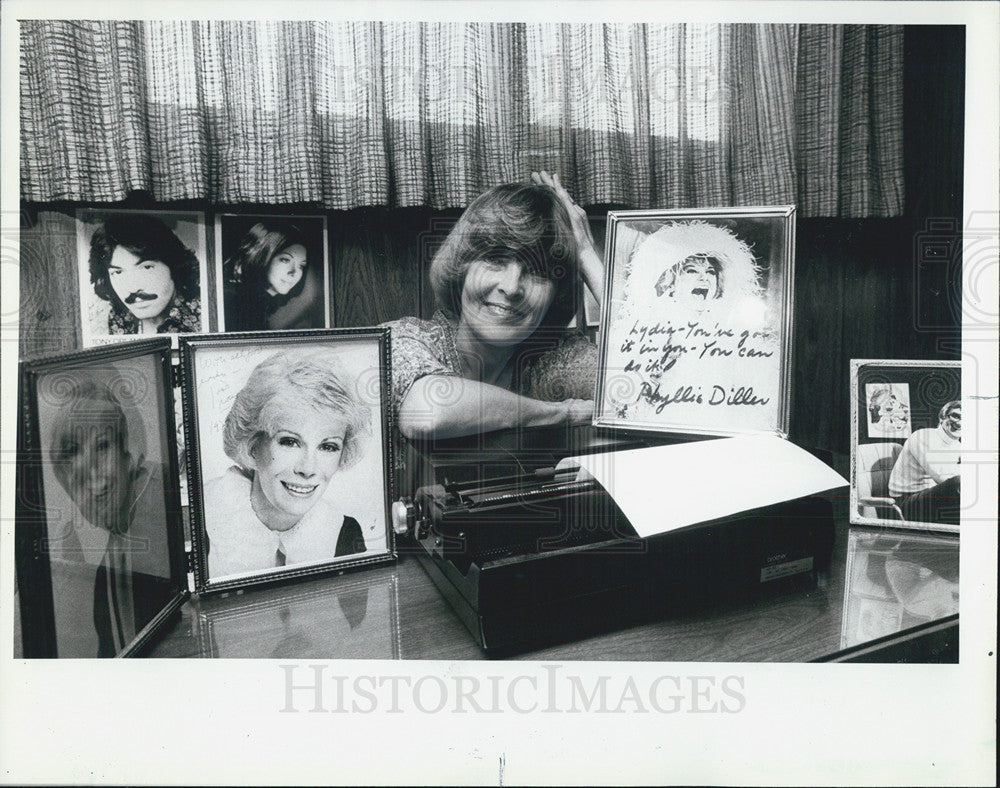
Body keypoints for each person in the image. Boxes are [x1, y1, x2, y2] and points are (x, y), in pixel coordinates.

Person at [387, 171, 603, 442]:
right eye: (495, 260)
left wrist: (586, 255)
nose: (511, 287)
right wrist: (564, 414)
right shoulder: (403, 339)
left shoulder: (552, 360)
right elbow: (429, 412)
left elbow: (661, 388)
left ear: (555, 296)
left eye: (537, 271)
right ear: (461, 268)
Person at [203, 349, 370, 579]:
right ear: (253, 444)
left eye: (328, 447)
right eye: (290, 442)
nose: (308, 469)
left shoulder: (345, 533)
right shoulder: (203, 518)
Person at [47, 373, 173, 656]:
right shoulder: (85, 544)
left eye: (102, 446)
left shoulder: (159, 495)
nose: (91, 472)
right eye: (72, 453)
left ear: (125, 451)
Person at [622, 219, 767, 326]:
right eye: (692, 271)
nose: (704, 278)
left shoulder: (730, 327)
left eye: (710, 271)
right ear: (670, 283)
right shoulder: (654, 326)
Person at [88, 214, 202, 335]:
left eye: (147, 267)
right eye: (118, 272)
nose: (132, 288)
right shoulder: (119, 316)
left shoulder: (204, 315)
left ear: (174, 266)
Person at [222, 220, 319, 332]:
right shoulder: (237, 304)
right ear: (262, 256)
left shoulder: (259, 305)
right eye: (285, 260)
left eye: (301, 266)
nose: (294, 272)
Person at [889, 400, 961, 525]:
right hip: (906, 502)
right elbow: (942, 478)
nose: (960, 423)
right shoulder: (923, 436)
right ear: (942, 418)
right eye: (955, 416)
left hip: (931, 497)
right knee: (959, 483)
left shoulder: (957, 445)